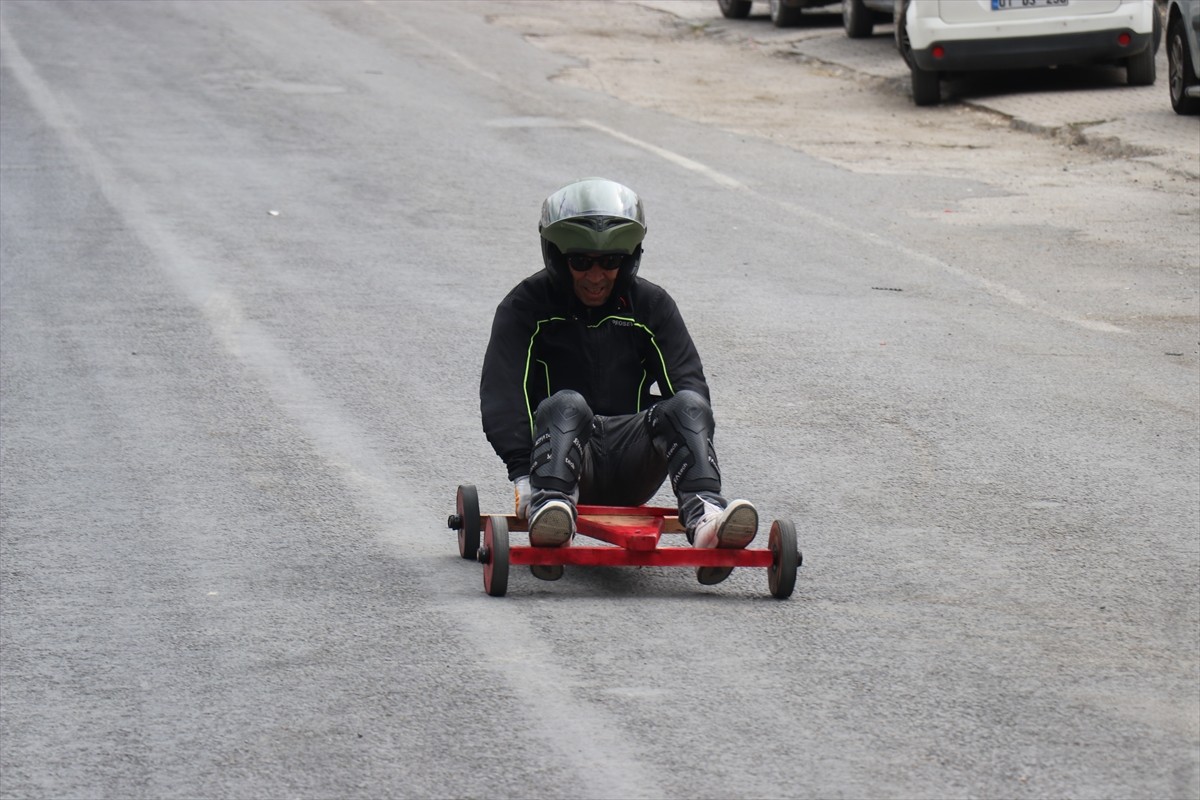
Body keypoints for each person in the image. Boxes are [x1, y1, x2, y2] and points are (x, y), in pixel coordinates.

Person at [479, 177, 757, 584]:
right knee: (566, 403)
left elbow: (689, 388)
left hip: (633, 462)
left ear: (628, 261)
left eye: (610, 262)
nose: (596, 276)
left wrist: (689, 439)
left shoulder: (652, 306)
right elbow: (503, 393)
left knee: (689, 404)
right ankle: (551, 512)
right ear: (557, 258)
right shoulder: (525, 307)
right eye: (581, 262)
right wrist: (523, 474)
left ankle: (706, 517)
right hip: (561, 461)